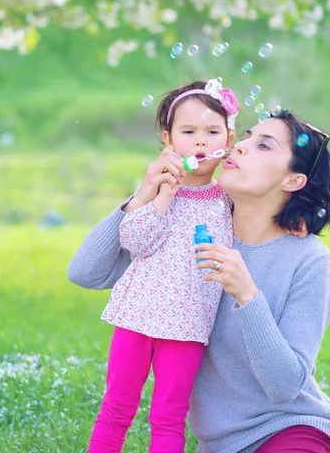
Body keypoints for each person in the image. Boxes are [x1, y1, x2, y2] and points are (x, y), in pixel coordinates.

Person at [68, 106, 330, 453]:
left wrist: (247, 293)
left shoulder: (309, 261)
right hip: (218, 446)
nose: (242, 147)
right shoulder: (188, 228)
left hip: (290, 431)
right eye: (245, 138)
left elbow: (284, 387)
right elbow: (84, 272)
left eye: (264, 146)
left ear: (292, 180)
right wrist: (142, 198)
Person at [86, 78, 242, 452]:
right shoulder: (159, 187)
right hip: (136, 318)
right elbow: (135, 241)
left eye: (211, 131)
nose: (200, 141)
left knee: (170, 416)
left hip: (187, 326)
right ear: (169, 141)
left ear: (229, 141)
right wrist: (160, 198)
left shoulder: (229, 199)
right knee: (116, 408)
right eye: (188, 132)